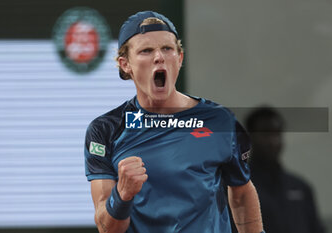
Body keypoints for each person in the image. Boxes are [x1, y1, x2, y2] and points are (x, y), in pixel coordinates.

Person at [84, 11, 264, 233]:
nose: (159, 57)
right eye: (146, 51)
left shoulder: (220, 121)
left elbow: (242, 193)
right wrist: (122, 195)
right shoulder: (105, 130)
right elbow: (106, 228)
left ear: (179, 59)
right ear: (125, 64)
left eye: (167, 49)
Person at [245, 106, 325, 233]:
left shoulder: (300, 188)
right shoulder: (235, 187)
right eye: (265, 134)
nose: (272, 141)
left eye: (276, 133)